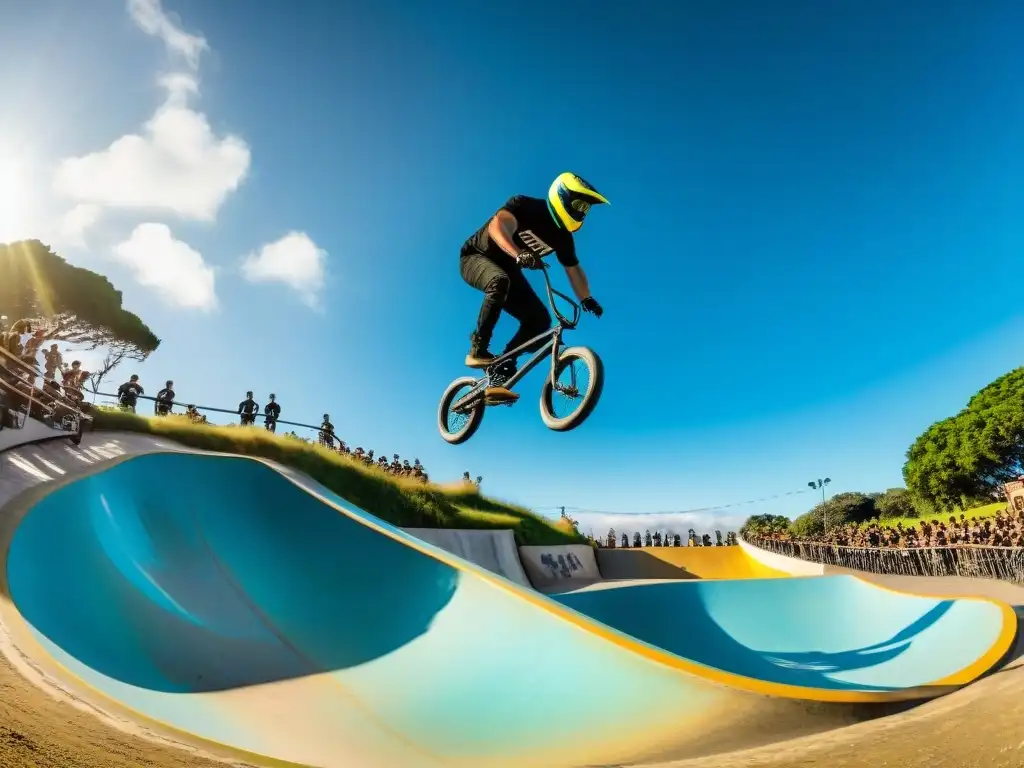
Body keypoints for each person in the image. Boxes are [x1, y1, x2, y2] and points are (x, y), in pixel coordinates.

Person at [459, 172, 607, 403]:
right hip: (476, 257)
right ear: (562, 196)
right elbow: (498, 226)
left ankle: (500, 371)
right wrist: (518, 254)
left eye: (585, 209)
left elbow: (573, 269)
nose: (581, 212)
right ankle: (478, 348)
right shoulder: (525, 206)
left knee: (539, 319)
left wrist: (586, 298)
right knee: (499, 280)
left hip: (508, 270)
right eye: (578, 204)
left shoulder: (563, 238)